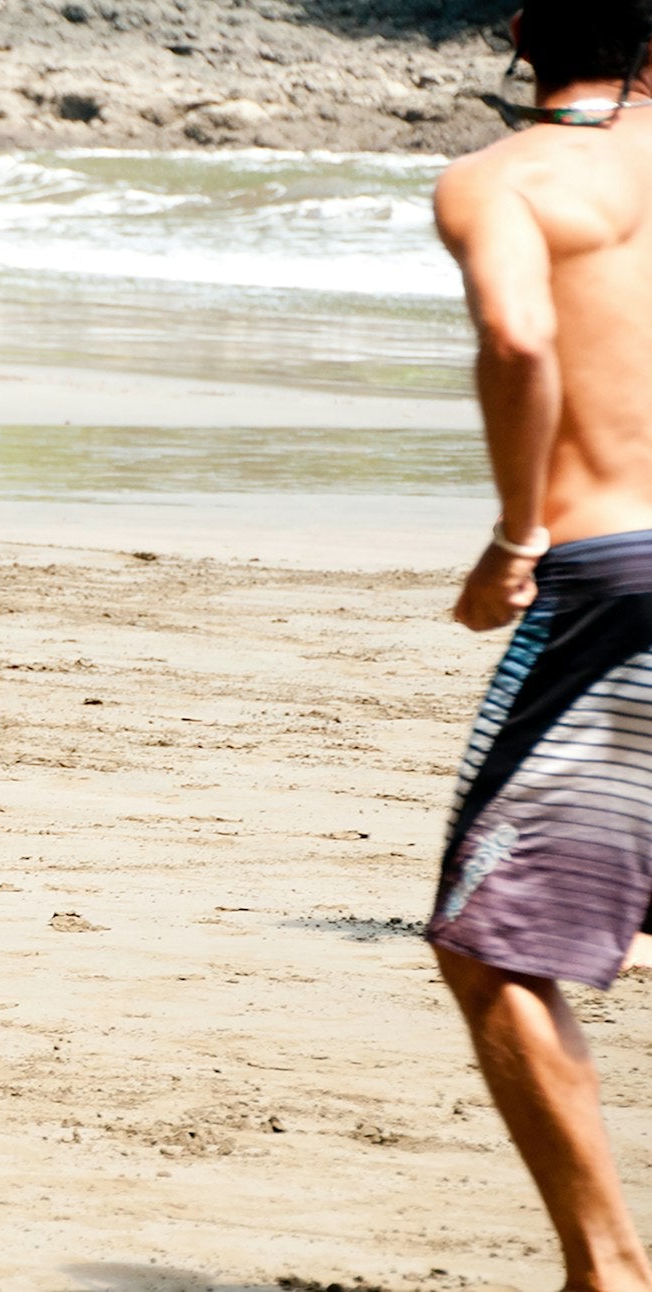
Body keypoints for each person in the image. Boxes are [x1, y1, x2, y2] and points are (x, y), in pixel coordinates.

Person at [428, 4, 652, 1285]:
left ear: (517, 26)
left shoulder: (498, 180)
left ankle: (604, 1271)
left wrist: (515, 537)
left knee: (486, 941)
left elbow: (519, 336)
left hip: (612, 578)